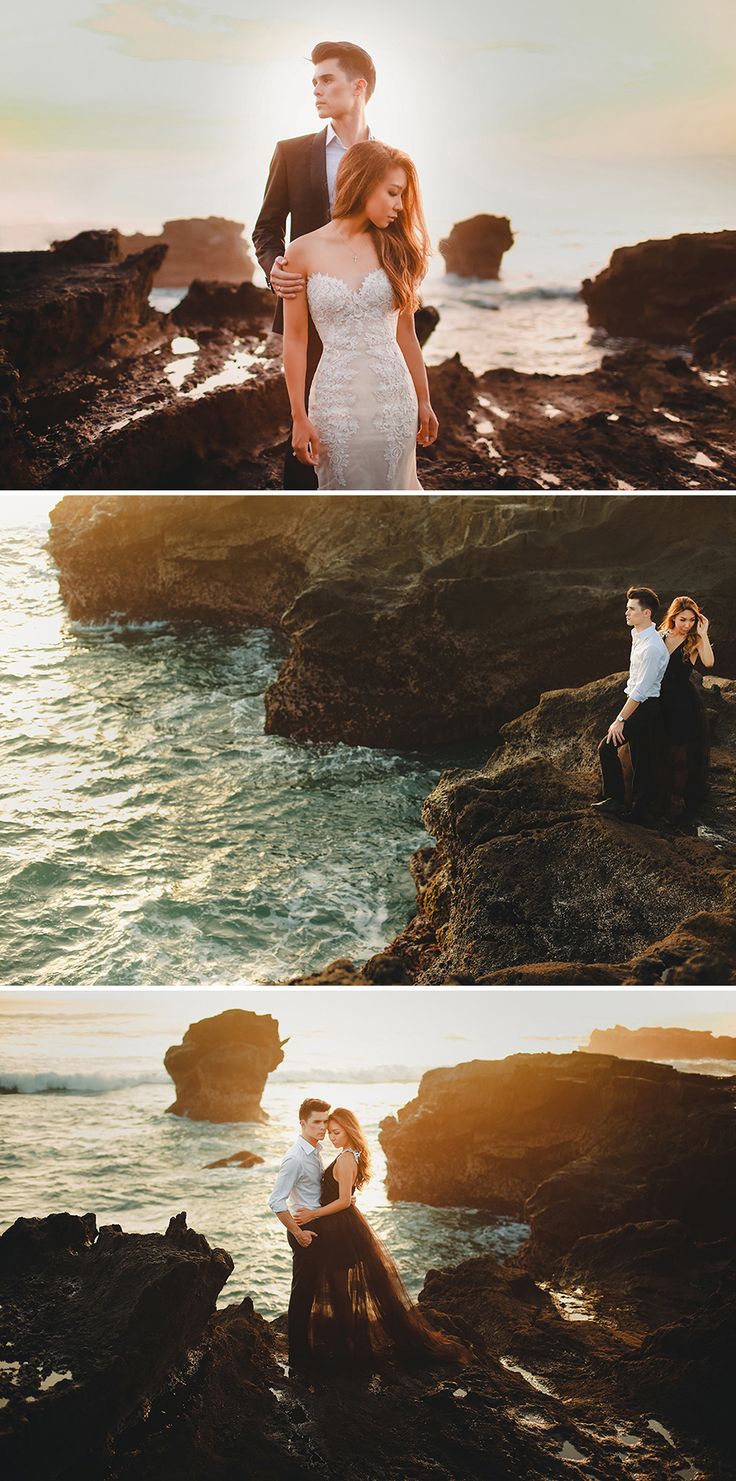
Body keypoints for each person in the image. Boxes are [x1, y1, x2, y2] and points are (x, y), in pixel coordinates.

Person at [253, 42, 378, 490]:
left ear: (358, 86)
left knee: (369, 426)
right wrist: (275, 269)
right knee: (306, 433)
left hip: (368, 315)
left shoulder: (388, 159)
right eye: (314, 82)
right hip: (306, 308)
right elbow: (266, 229)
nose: (316, 91)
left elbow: (400, 236)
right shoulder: (291, 152)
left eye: (326, 80)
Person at [280, 140, 437, 489]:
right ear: (365, 183)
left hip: (394, 401)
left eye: (403, 197)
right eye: (393, 193)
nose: (399, 206)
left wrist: (424, 400)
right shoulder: (301, 251)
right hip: (334, 405)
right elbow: (295, 339)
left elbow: (406, 334)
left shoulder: (396, 250)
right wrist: (298, 416)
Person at [291, 1106, 470, 1366]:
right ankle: (349, 1346)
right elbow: (346, 1198)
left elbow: (342, 1201)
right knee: (342, 1292)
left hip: (340, 1231)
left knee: (341, 1293)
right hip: (342, 1228)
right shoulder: (351, 1154)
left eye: (336, 1132)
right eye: (330, 1133)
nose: (332, 1137)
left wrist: (312, 1214)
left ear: (349, 1130)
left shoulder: (345, 1158)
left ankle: (351, 1350)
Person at [592, 586, 669, 824]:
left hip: (645, 706)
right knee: (640, 757)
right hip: (641, 703)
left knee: (606, 747)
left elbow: (641, 691)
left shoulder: (652, 647)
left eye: (631, 609)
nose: (626, 613)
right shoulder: (640, 636)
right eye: (627, 608)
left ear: (646, 613)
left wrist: (620, 720)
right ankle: (640, 809)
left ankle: (615, 799)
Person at [268, 1096, 330, 1368]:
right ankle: (299, 1358)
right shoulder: (294, 1158)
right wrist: (298, 1233)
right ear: (302, 1123)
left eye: (326, 1122)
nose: (323, 1127)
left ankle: (313, 1348)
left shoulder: (315, 1151)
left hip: (317, 1226)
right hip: (305, 1231)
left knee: (316, 1290)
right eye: (317, 1122)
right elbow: (276, 1201)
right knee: (303, 1292)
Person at [658, 596, 714, 819]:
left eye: (692, 620)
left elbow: (709, 663)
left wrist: (704, 632)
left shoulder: (693, 641)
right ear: (673, 617)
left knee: (679, 754)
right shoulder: (660, 637)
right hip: (657, 699)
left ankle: (677, 798)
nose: (688, 624)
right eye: (683, 619)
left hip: (681, 703)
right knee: (656, 749)